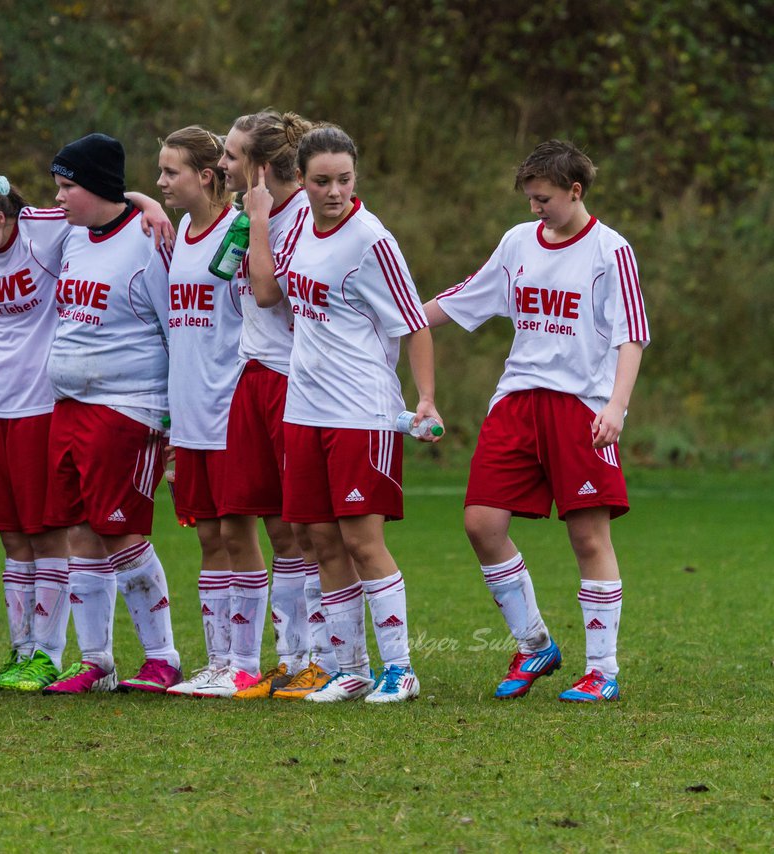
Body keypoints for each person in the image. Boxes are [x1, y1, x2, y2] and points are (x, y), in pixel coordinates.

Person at [423, 139, 648, 703]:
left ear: (575, 191)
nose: (534, 209)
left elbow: (631, 335)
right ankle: (534, 644)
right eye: (528, 198)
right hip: (517, 402)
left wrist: (615, 408)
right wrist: (391, 315)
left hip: (581, 408)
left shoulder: (609, 250)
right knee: (481, 524)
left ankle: (602, 670)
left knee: (588, 535)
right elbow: (464, 298)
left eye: (543, 198)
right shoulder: (518, 242)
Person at [0, 174, 171, 692]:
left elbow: (103, 204)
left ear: (2, 218)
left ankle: (51, 652)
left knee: (53, 532)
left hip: (44, 404)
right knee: (11, 537)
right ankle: (24, 652)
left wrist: (147, 202)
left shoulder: (44, 231)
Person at [256, 124, 437, 704]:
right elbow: (266, 292)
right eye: (321, 181)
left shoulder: (371, 240)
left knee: (361, 540)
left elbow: (414, 324)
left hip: (360, 411)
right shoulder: (299, 230)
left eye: (344, 179)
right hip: (305, 409)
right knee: (319, 539)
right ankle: (350, 669)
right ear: (302, 182)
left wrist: (426, 399)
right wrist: (257, 219)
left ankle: (400, 670)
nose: (333, 191)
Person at [40, 132, 182, 694]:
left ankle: (162, 657)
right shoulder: (73, 238)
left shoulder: (150, 242)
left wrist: (172, 421)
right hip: (69, 407)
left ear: (97, 186)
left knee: (120, 534)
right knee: (79, 533)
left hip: (127, 406)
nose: (59, 197)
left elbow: (177, 332)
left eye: (68, 185)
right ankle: (95, 661)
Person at [213, 109, 335, 701]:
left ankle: (325, 655)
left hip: (296, 380)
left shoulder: (301, 221)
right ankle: (289, 659)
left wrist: (257, 222)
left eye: (232, 157)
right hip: (253, 375)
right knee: (275, 525)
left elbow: (267, 294)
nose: (222, 165)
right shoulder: (251, 215)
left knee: (307, 529)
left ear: (261, 168)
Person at [148, 126, 249, 698]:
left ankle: (247, 663)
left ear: (205, 176)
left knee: (240, 533)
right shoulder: (182, 229)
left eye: (170, 172)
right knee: (208, 535)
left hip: (232, 405)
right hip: (189, 413)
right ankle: (216, 662)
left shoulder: (237, 231)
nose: (160, 182)